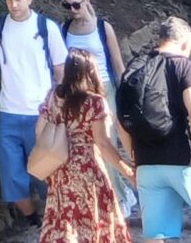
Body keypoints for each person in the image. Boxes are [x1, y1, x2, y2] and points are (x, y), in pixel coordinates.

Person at [118, 17, 191, 243]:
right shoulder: (184, 67)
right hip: (186, 164)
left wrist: (135, 161)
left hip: (147, 165)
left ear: (161, 39)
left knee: (155, 236)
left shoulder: (135, 68)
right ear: (186, 43)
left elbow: (121, 120)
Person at [0, 0, 72, 225]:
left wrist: (59, 107)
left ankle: (58, 219)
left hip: (41, 114)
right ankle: (33, 219)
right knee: (12, 178)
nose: (14, 4)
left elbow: (61, 70)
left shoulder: (46, 28)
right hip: (9, 113)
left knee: (46, 173)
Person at [36, 51, 137, 243]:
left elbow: (39, 131)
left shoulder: (53, 96)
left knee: (65, 218)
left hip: (59, 168)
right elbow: (103, 143)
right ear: (92, 71)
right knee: (93, 218)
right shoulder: (95, 102)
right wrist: (128, 171)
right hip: (87, 168)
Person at [59, 0, 137, 218]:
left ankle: (120, 198)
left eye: (76, 4)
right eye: (67, 5)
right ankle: (114, 193)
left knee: (106, 145)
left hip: (105, 92)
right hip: (77, 96)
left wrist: (127, 93)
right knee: (88, 149)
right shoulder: (64, 29)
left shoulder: (103, 28)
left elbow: (117, 62)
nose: (73, 10)